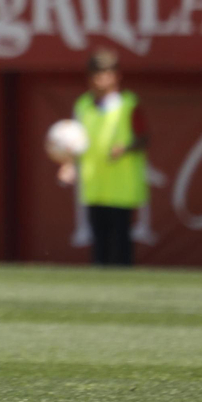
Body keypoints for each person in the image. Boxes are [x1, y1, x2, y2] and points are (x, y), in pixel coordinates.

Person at [58, 49, 149, 267]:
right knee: (99, 244)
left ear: (116, 76)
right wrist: (67, 164)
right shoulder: (82, 106)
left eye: (106, 73)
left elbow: (143, 139)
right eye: (96, 73)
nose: (101, 79)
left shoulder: (128, 104)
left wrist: (125, 148)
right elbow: (75, 141)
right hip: (94, 185)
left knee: (121, 242)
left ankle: (125, 290)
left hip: (122, 187)